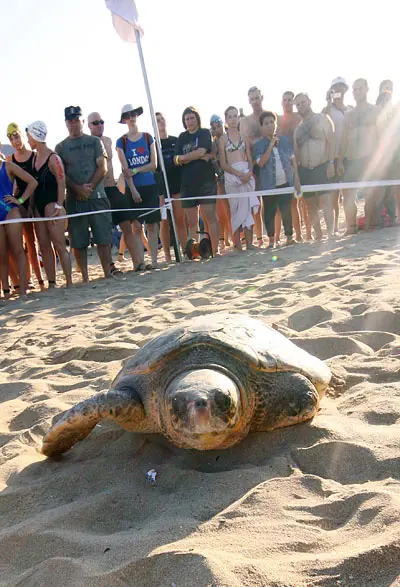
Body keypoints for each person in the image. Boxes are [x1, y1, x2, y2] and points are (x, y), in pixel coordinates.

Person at [55, 106, 115, 283]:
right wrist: (78, 189)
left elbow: (102, 166)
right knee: (78, 240)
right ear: (66, 123)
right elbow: (61, 174)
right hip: (74, 198)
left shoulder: (95, 142)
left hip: (97, 196)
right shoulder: (61, 147)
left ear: (82, 121)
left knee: (103, 236)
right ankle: (85, 277)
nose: (73, 124)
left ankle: (107, 273)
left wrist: (89, 187)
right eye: (70, 121)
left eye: (76, 120)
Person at [88, 111, 141, 270]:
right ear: (89, 126)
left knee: (127, 225)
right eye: (96, 123)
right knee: (103, 231)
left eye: (102, 121)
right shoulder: (88, 143)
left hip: (113, 187)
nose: (100, 125)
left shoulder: (109, 141)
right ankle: (109, 266)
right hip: (99, 190)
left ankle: (138, 262)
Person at [25, 121, 73, 288]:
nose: (27, 140)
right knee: (44, 245)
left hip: (52, 203)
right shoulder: (34, 159)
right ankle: (52, 282)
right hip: (38, 204)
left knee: (59, 244)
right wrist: (31, 206)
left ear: (35, 136)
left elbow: (62, 182)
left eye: (28, 137)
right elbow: (34, 185)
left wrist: (59, 206)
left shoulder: (54, 158)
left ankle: (69, 281)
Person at [116, 104, 160, 270]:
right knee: (136, 226)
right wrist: (133, 189)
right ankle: (140, 262)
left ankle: (154, 260)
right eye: (128, 115)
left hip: (149, 184)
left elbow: (153, 164)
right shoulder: (121, 142)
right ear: (124, 119)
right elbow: (124, 169)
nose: (132, 117)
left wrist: (136, 169)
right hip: (133, 188)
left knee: (152, 224)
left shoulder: (148, 137)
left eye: (133, 114)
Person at [337, 79, 384, 232]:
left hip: (370, 157)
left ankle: (368, 225)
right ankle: (351, 227)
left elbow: (382, 135)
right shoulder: (348, 114)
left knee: (371, 193)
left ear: (367, 89)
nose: (357, 92)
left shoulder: (376, 111)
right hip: (351, 158)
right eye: (355, 89)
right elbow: (343, 139)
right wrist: (339, 161)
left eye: (360, 88)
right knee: (349, 194)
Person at [174, 106, 219, 255]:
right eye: (187, 118)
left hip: (205, 180)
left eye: (192, 117)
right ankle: (194, 252)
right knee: (191, 221)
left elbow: (203, 151)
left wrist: (186, 158)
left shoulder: (204, 133)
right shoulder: (181, 137)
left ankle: (214, 249)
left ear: (197, 118)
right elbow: (176, 159)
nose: (190, 121)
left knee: (210, 216)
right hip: (187, 183)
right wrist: (195, 156)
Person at [253, 111, 301, 247]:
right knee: (269, 212)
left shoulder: (284, 140)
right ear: (262, 127)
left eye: (271, 122)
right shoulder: (259, 145)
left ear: (276, 124)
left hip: (285, 181)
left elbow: (293, 160)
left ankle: (289, 237)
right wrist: (270, 145)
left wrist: (296, 178)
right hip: (269, 184)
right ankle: (272, 240)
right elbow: (261, 162)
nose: (269, 125)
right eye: (266, 123)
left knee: (286, 209)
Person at [6, 123, 44, 289]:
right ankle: (28, 280)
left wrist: (31, 205)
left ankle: (41, 278)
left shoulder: (34, 156)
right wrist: (19, 202)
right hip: (21, 202)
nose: (15, 141)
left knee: (41, 241)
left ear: (22, 136)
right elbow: (10, 187)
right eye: (12, 139)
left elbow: (36, 182)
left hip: (37, 200)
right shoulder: (10, 160)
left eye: (17, 137)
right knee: (27, 242)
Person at [293, 93, 335, 240]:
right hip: (305, 169)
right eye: (297, 104)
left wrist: (331, 163)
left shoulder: (322, 119)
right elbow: (296, 155)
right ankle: (319, 235)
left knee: (326, 202)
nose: (300, 106)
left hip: (322, 165)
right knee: (310, 206)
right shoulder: (297, 130)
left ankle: (331, 234)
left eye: (303, 102)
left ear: (309, 101)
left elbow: (331, 142)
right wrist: (297, 176)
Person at [218, 106, 258, 250]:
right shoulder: (222, 139)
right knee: (235, 210)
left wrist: (248, 173)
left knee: (247, 209)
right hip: (232, 176)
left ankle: (249, 243)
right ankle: (237, 245)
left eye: (235, 116)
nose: (233, 119)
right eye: (230, 116)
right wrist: (238, 174)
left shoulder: (244, 137)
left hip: (245, 173)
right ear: (226, 119)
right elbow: (223, 163)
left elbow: (250, 158)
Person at [0, 157, 38, 298]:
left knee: (18, 250)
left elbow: (32, 182)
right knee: (2, 254)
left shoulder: (7, 166)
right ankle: (5, 291)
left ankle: (23, 289)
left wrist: (20, 200)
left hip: (10, 210)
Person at [155, 112, 187, 261]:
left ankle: (185, 250)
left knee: (180, 219)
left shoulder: (176, 140)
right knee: (164, 222)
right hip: (162, 188)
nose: (161, 122)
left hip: (177, 185)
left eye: (162, 119)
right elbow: (156, 170)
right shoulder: (154, 144)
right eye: (157, 121)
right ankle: (167, 254)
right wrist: (160, 194)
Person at [276, 91, 307, 243]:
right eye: (285, 100)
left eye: (290, 100)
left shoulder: (299, 118)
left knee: (303, 201)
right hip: (285, 165)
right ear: (281, 103)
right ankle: (292, 235)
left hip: (300, 161)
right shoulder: (278, 120)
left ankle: (306, 233)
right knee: (291, 203)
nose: (287, 102)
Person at [322, 77, 351, 233]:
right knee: (333, 196)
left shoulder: (349, 109)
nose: (338, 90)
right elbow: (323, 119)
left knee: (347, 193)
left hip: (347, 156)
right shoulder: (328, 109)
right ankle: (333, 229)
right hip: (332, 156)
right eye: (335, 87)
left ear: (345, 89)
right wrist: (328, 101)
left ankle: (348, 225)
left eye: (341, 86)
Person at [239, 86, 265, 246]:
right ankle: (256, 237)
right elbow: (243, 145)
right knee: (253, 202)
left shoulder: (270, 116)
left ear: (262, 97)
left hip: (268, 163)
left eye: (257, 97)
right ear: (249, 101)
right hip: (252, 165)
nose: (255, 101)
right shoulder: (245, 121)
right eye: (252, 99)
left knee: (268, 202)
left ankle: (269, 236)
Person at [210, 114, 231, 249]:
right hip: (220, 178)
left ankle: (235, 237)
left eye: (219, 125)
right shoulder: (213, 143)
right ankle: (224, 239)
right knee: (222, 211)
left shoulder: (230, 138)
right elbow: (213, 160)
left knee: (232, 209)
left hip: (232, 175)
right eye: (214, 127)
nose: (217, 128)